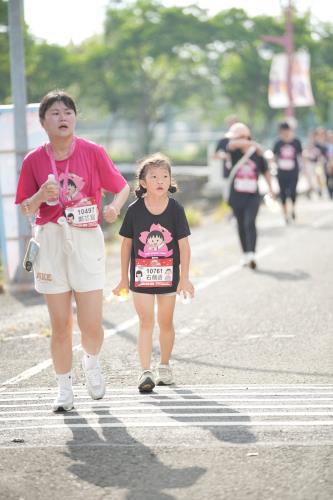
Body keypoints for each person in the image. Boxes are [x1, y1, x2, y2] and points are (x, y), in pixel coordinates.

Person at [15, 90, 130, 412]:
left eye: (68, 112)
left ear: (75, 118)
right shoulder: (34, 160)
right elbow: (25, 207)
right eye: (54, 113)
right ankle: (64, 388)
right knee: (61, 324)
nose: (62, 117)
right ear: (42, 122)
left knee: (92, 324)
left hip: (85, 237)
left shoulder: (92, 151)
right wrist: (40, 195)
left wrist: (114, 208)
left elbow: (121, 186)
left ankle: (91, 363)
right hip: (50, 240)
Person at [113, 153, 194, 393]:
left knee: (165, 322)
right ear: (143, 182)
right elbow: (126, 244)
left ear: (170, 181)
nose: (160, 180)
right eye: (154, 176)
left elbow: (184, 246)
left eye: (165, 176)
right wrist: (122, 278)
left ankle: (164, 366)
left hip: (168, 277)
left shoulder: (176, 209)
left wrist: (184, 277)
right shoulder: (134, 210)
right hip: (141, 277)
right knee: (146, 321)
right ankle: (145, 371)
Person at [223, 122, 274, 269]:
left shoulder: (256, 153)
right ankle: (245, 253)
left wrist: (271, 189)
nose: (236, 140)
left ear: (246, 136)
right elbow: (232, 144)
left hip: (252, 195)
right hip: (236, 195)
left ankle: (252, 253)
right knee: (240, 224)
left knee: (249, 222)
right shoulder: (233, 151)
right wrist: (253, 143)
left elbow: (265, 171)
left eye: (239, 137)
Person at [273, 122, 302, 223]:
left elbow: (300, 155)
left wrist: (304, 170)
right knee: (283, 194)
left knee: (293, 192)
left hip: (293, 172)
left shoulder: (296, 142)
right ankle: (285, 215)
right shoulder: (278, 143)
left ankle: (293, 209)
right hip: (281, 172)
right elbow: (274, 156)